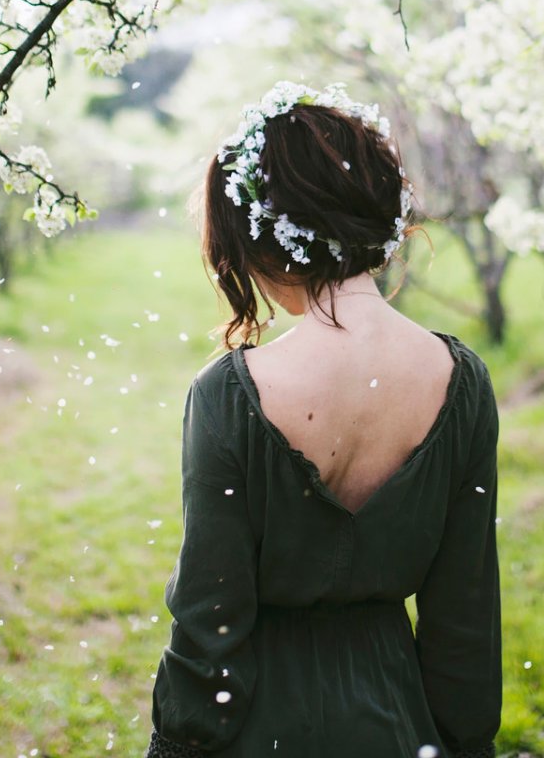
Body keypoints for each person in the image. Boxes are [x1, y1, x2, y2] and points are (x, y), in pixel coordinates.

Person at [145, 83, 502, 758]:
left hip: (255, 727)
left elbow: (208, 622)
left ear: (263, 236)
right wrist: (466, 744)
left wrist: (178, 746)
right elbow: (466, 620)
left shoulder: (230, 394)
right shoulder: (463, 384)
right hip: (400, 725)